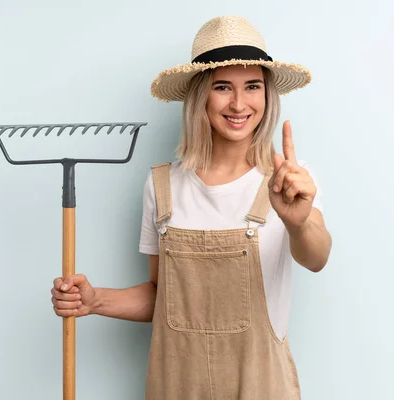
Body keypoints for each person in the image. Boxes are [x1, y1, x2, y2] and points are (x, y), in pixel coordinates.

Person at [51, 15, 332, 399]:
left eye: (252, 86)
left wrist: (298, 223)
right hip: (176, 387)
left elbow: (316, 256)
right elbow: (162, 295)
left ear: (267, 94)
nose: (238, 103)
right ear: (201, 95)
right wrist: (94, 299)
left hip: (261, 386)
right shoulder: (163, 186)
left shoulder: (289, 182)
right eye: (222, 87)